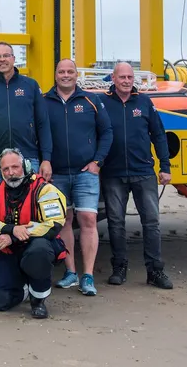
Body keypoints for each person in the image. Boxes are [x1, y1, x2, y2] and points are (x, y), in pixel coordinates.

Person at [100, 62, 174, 289]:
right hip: (113, 174)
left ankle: (155, 271)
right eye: (122, 77)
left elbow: (158, 135)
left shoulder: (144, 102)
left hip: (143, 172)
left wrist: (165, 166)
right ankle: (119, 267)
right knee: (116, 223)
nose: (126, 81)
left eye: (129, 77)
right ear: (113, 78)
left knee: (151, 222)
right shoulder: (102, 103)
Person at [44, 59, 113, 296]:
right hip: (57, 174)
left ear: (76, 75)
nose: (66, 75)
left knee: (88, 219)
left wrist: (97, 162)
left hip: (86, 173)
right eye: (61, 71)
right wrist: (45, 161)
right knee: (63, 221)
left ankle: (88, 276)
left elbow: (107, 132)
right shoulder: (44, 101)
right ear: (55, 75)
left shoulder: (91, 100)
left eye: (70, 71)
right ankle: (71, 272)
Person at [0, 148, 67, 319]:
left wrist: (12, 237)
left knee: (39, 251)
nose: (11, 173)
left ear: (25, 166)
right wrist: (10, 229)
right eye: (5, 169)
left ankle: (38, 299)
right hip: (8, 252)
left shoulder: (45, 189)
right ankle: (23, 288)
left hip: (35, 248)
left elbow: (53, 224)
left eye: (15, 167)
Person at [0, 42, 53, 181]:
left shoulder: (31, 85)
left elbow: (43, 123)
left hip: (28, 157)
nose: (2, 59)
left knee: (30, 195)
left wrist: (46, 159)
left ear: (13, 58)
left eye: (6, 55)